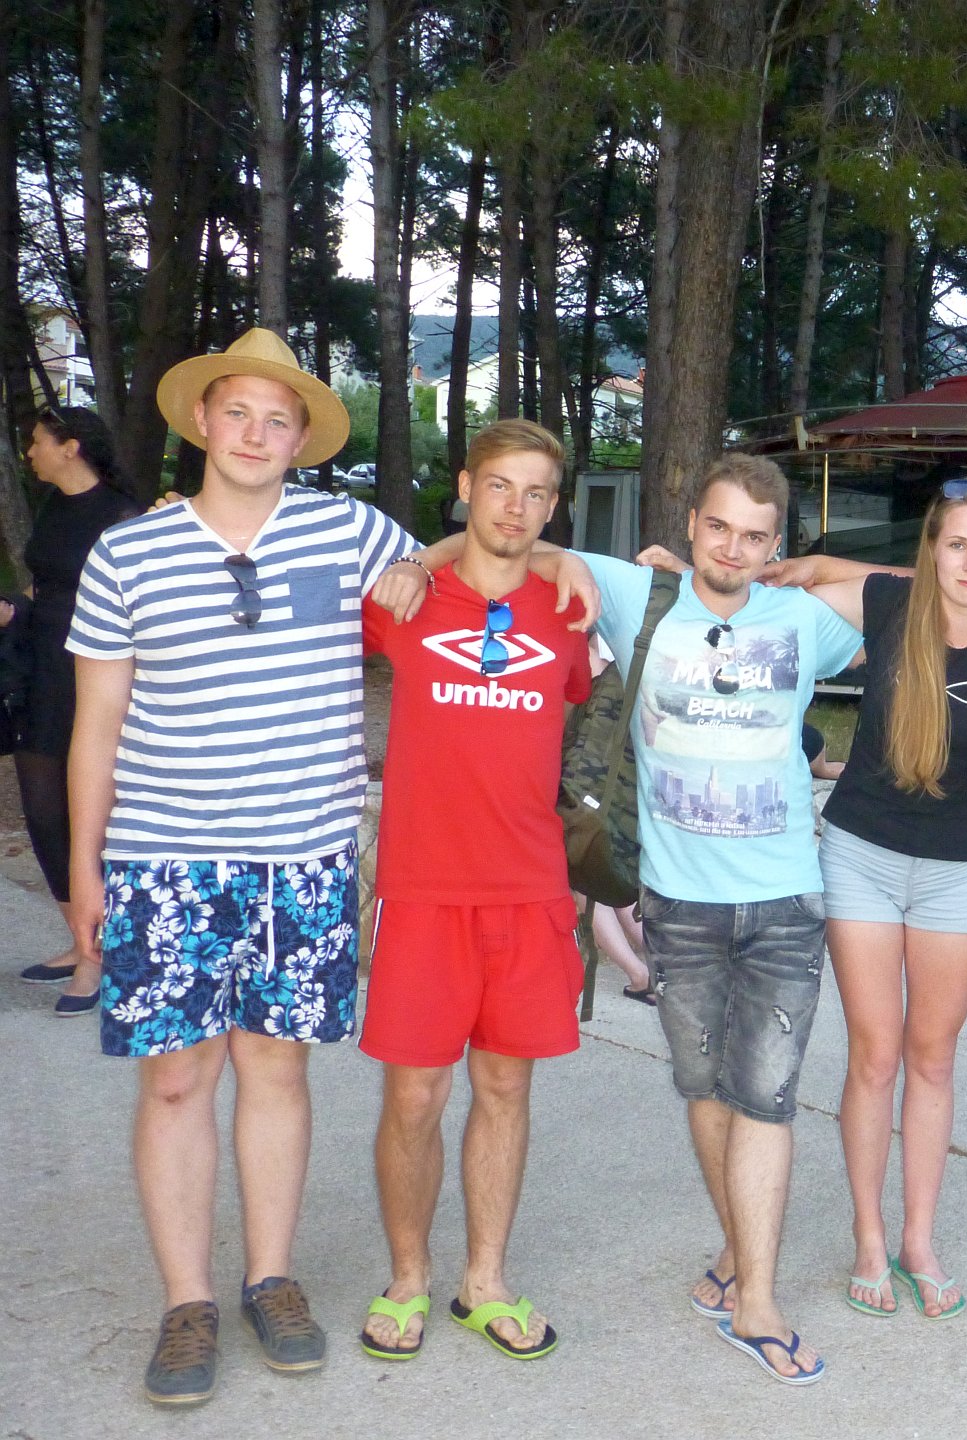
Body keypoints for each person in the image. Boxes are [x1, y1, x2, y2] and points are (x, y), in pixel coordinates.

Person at [65, 328, 594, 1408]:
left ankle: (272, 1279)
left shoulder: (348, 532)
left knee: (277, 1071)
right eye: (237, 412)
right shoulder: (128, 553)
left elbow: (468, 550)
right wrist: (85, 866)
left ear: (302, 438)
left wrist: (559, 558)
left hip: (304, 853)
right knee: (176, 1080)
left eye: (278, 419)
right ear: (200, 419)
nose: (255, 434)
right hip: (166, 853)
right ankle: (187, 1303)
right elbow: (96, 723)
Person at [573, 453, 862, 1385]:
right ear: (690, 521)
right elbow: (514, 548)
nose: (732, 550)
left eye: (755, 537)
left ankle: (758, 1302)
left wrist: (815, 571)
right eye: (719, 527)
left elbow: (933, 583)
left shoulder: (802, 619)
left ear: (775, 544)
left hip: (783, 900)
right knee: (704, 1089)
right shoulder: (637, 595)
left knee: (765, 1096)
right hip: (677, 900)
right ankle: (739, 1246)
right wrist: (417, 562)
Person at [764, 479, 967, 1321]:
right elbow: (783, 590)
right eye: (956, 545)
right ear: (931, 550)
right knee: (875, 1056)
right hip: (863, 856)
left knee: (933, 1059)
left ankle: (919, 1240)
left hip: (958, 870)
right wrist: (703, 571)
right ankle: (869, 1237)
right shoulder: (890, 607)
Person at [355, 420, 591, 1364]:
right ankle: (407, 1277)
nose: (516, 508)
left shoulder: (569, 608)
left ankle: (483, 1282)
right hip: (423, 890)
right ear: (465, 487)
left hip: (529, 890)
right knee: (415, 1096)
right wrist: (425, 556)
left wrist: (569, 561)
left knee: (504, 1086)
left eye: (537, 493)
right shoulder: (406, 598)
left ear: (554, 506)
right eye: (499, 486)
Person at [5, 406, 139, 1014]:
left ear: (71, 446)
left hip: (93, 672)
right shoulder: (54, 505)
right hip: (40, 664)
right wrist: (13, 607)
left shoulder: (122, 515)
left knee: (90, 813)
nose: (30, 451)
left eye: (38, 441)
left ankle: (99, 957)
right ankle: (80, 936)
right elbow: (46, 582)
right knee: (41, 808)